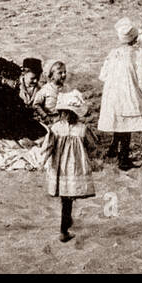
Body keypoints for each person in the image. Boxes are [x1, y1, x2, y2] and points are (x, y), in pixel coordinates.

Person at [99, 19, 142, 171]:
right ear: (135, 38)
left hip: (113, 92)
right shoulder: (137, 54)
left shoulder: (113, 53)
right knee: (126, 125)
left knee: (118, 120)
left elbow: (103, 75)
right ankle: (123, 158)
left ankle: (113, 147)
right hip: (127, 92)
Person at [43, 91, 98, 241]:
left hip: (62, 168)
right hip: (73, 169)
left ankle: (65, 225)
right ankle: (64, 228)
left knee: (65, 197)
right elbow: (92, 146)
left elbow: (48, 146)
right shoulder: (81, 129)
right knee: (68, 196)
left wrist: (44, 159)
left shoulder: (56, 128)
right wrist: (93, 159)